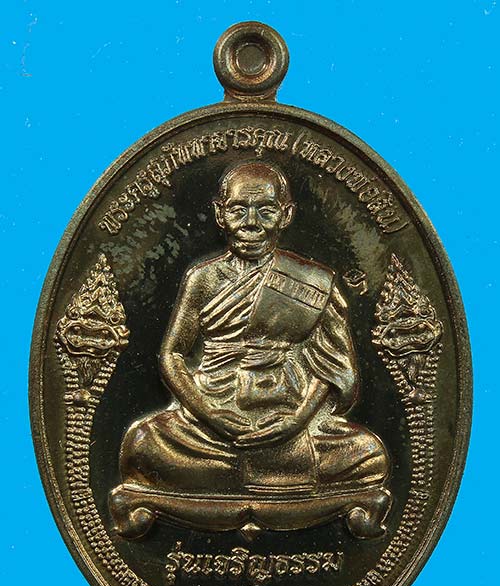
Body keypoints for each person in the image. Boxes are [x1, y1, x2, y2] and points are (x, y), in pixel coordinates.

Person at [119, 162, 389, 498]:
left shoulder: (312, 282)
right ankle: (264, 474)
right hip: (210, 419)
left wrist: (297, 421)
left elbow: (331, 363)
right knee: (141, 444)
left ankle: (232, 475)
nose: (251, 223)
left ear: (286, 215)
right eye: (238, 210)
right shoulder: (203, 278)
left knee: (367, 453)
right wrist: (211, 415)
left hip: (287, 414)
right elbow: (172, 355)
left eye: (266, 210)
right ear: (220, 214)